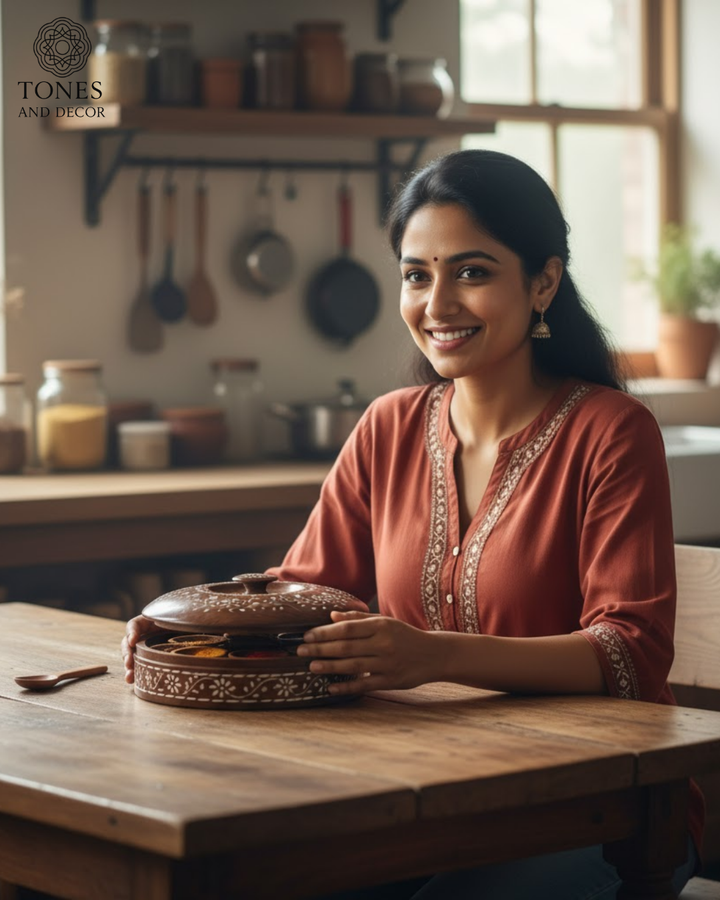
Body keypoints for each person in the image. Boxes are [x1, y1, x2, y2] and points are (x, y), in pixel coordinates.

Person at [123, 149, 701, 898]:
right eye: (417, 275)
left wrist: (433, 656)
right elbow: (301, 593)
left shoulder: (612, 432)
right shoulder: (388, 426)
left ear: (543, 283)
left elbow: (630, 653)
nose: (438, 304)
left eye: (472, 272)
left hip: (602, 807)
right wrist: (190, 632)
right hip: (418, 789)